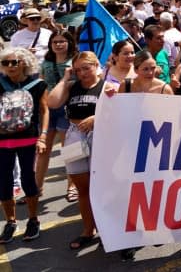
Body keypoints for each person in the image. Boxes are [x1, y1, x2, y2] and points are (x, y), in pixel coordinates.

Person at [47, 51, 111, 251]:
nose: (82, 73)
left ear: (96, 65)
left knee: (102, 188)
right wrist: (66, 78)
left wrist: (96, 117)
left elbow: (117, 111)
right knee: (82, 188)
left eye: (86, 68)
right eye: (78, 69)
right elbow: (52, 102)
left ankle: (108, 230)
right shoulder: (71, 86)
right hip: (74, 135)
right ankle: (87, 230)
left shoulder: (107, 86)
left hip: (100, 137)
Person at [0, 48, 48, 244]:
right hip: (2, 140)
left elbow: (45, 111)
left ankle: (33, 219)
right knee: (3, 181)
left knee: (28, 179)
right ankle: (11, 222)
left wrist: (43, 136)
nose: (10, 66)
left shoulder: (38, 85)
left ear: (25, 63)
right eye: (6, 63)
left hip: (28, 139)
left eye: (15, 62)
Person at [37, 29, 78, 202]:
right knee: (43, 150)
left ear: (69, 43)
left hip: (67, 109)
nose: (59, 44)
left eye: (62, 41)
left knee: (69, 150)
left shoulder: (75, 61)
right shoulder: (46, 62)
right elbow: (41, 82)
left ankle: (72, 186)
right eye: (55, 42)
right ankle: (36, 188)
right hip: (47, 109)